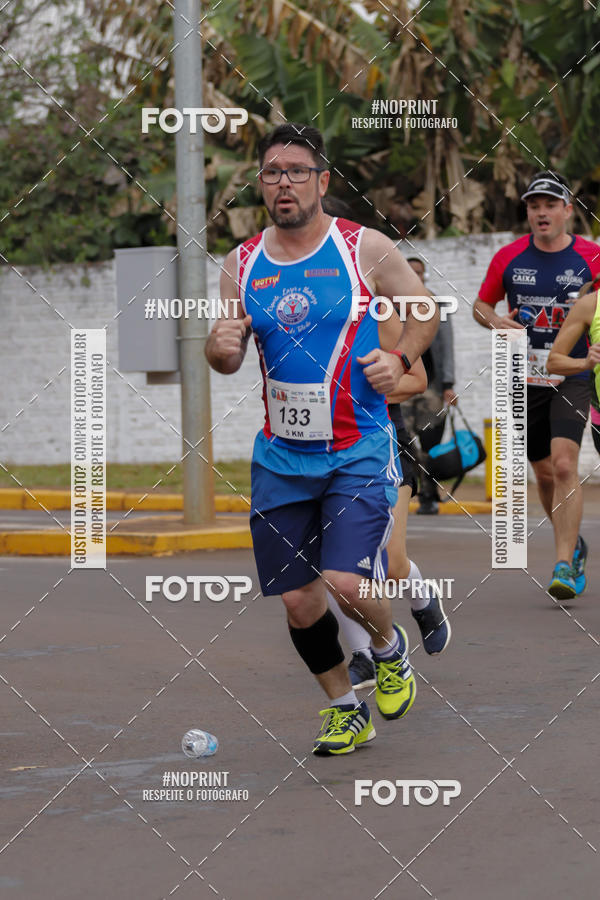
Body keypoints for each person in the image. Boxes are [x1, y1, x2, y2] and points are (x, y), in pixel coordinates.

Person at [206, 123, 439, 755]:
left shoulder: (364, 248)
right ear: (261, 185)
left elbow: (424, 309)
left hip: (357, 447)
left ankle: (390, 651)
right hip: (281, 457)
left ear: (323, 181)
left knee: (346, 583)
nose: (284, 183)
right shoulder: (241, 263)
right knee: (300, 603)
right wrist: (218, 348)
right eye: (272, 173)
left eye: (296, 171)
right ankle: (344, 707)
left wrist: (402, 360)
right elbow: (224, 353)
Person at [473, 171, 600, 599]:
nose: (541, 212)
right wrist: (495, 320)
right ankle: (573, 542)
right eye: (533, 205)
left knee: (565, 464)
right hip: (521, 376)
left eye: (550, 204)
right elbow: (480, 305)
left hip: (572, 371)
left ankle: (564, 563)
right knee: (543, 473)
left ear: (568, 210)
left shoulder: (592, 257)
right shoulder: (509, 257)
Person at [547, 280, 600, 570]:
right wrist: (586, 362)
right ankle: (567, 560)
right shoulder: (590, 303)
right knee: (555, 470)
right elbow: (553, 362)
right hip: (597, 407)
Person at [401, 257, 457, 514]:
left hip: (432, 388)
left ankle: (429, 496)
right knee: (404, 441)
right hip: (403, 385)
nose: (415, 276)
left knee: (431, 442)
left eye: (419, 272)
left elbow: (446, 346)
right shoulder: (393, 303)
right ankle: (409, 490)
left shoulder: (436, 304)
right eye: (410, 272)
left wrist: (447, 384)